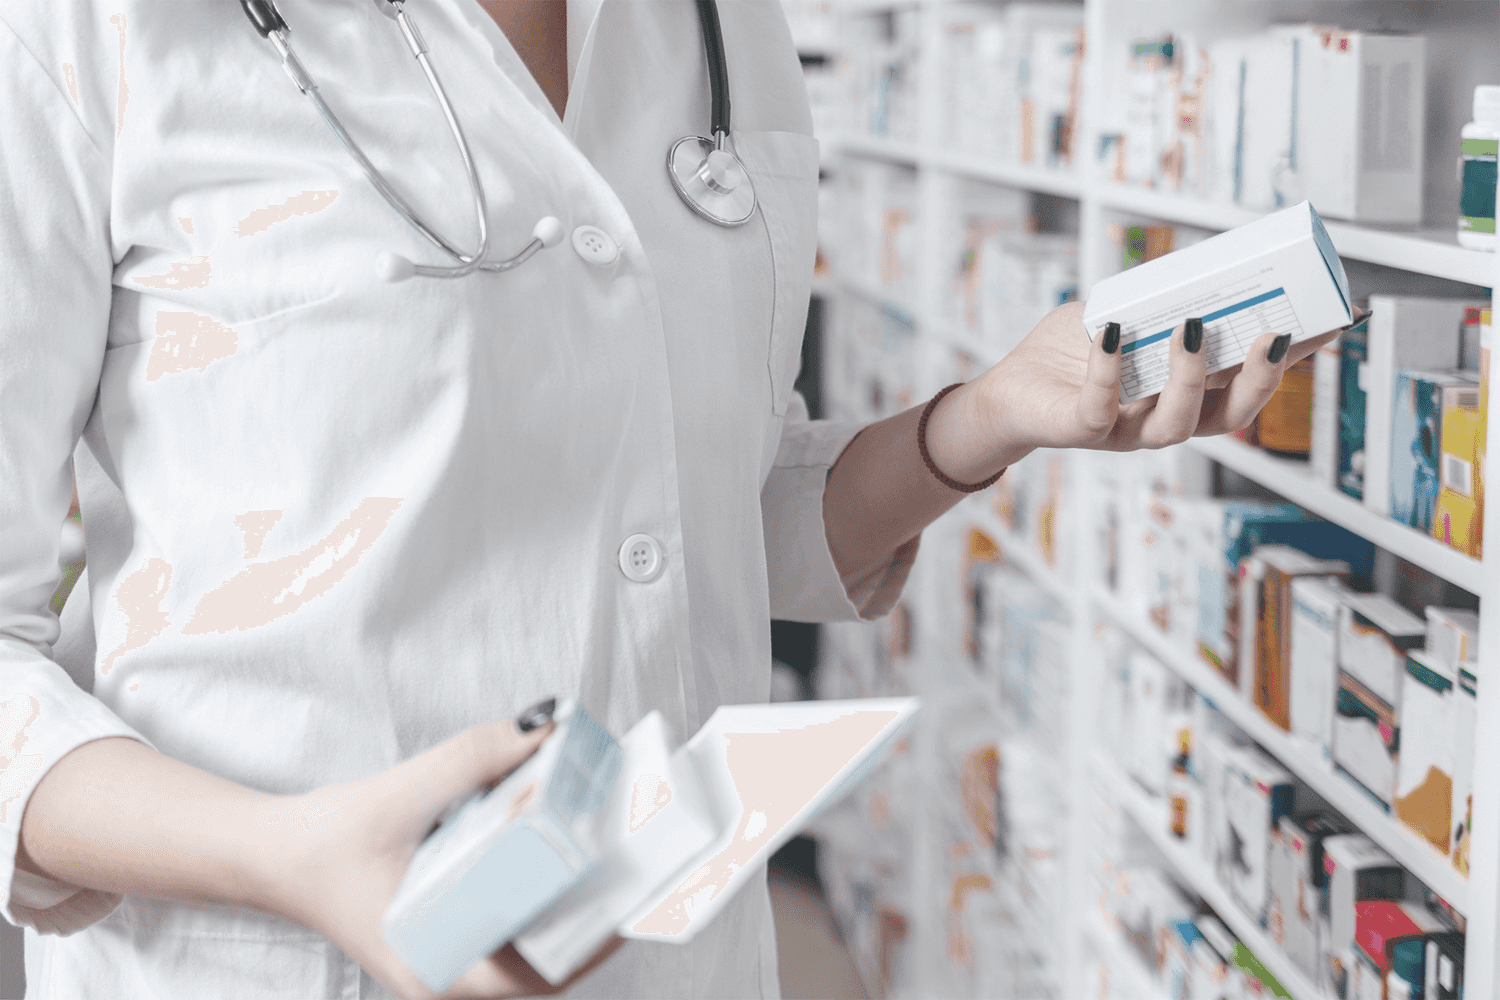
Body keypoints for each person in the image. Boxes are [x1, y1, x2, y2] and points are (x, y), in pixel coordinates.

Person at [0, 1, 1340, 997]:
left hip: (670, 946)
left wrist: (977, 424)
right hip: (272, 963)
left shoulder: (715, 32)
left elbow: (697, 529)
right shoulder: (84, 30)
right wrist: (292, 857)